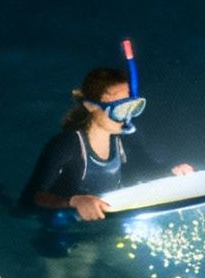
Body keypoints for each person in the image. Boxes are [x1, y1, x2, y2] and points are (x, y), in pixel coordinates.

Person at [20, 63, 194, 222]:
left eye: (130, 107)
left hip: (107, 223)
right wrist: (74, 201)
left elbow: (145, 169)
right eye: (119, 109)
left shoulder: (124, 140)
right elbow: (31, 199)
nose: (126, 117)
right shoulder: (67, 145)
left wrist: (172, 172)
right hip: (64, 232)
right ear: (91, 106)